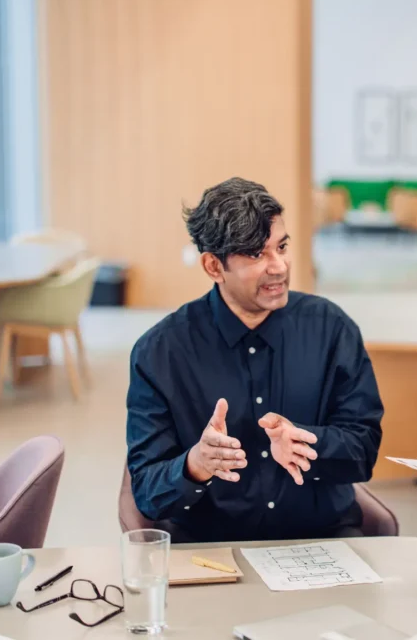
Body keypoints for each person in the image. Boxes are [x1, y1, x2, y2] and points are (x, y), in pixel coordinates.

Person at [126, 177, 384, 542]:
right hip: (211, 549)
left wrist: (310, 443)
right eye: (256, 254)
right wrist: (196, 465)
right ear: (214, 266)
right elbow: (146, 493)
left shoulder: (332, 330)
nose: (278, 267)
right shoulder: (160, 353)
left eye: (282, 247)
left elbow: (364, 451)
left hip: (320, 539)